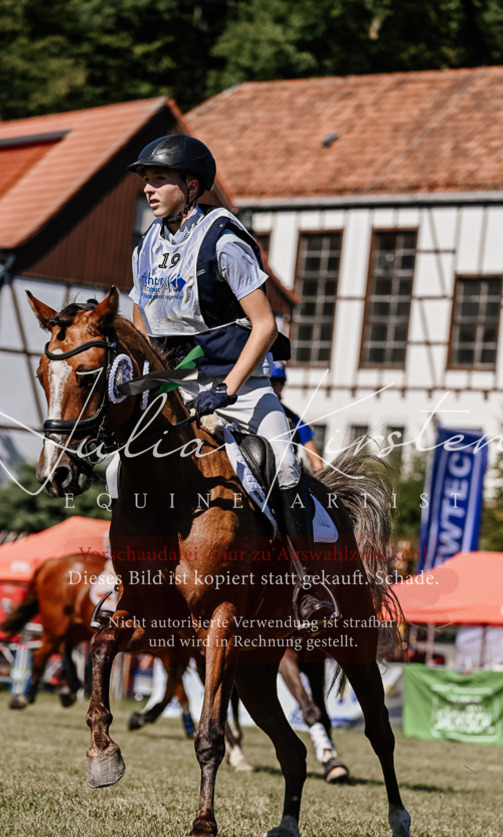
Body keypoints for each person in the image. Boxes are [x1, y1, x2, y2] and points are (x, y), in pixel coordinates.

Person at [127, 134, 337, 626]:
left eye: (159, 179)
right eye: (147, 180)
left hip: (235, 382)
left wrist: (228, 387)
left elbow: (265, 326)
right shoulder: (146, 246)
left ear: (192, 185)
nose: (149, 189)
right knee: (124, 469)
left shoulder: (223, 239)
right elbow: (142, 329)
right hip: (175, 383)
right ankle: (132, 581)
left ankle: (310, 586)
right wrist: (146, 384)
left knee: (285, 463)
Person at [269, 361, 323, 473]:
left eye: (276, 383)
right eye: (269, 382)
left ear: (282, 386)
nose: (272, 386)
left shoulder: (294, 420)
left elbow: (317, 465)